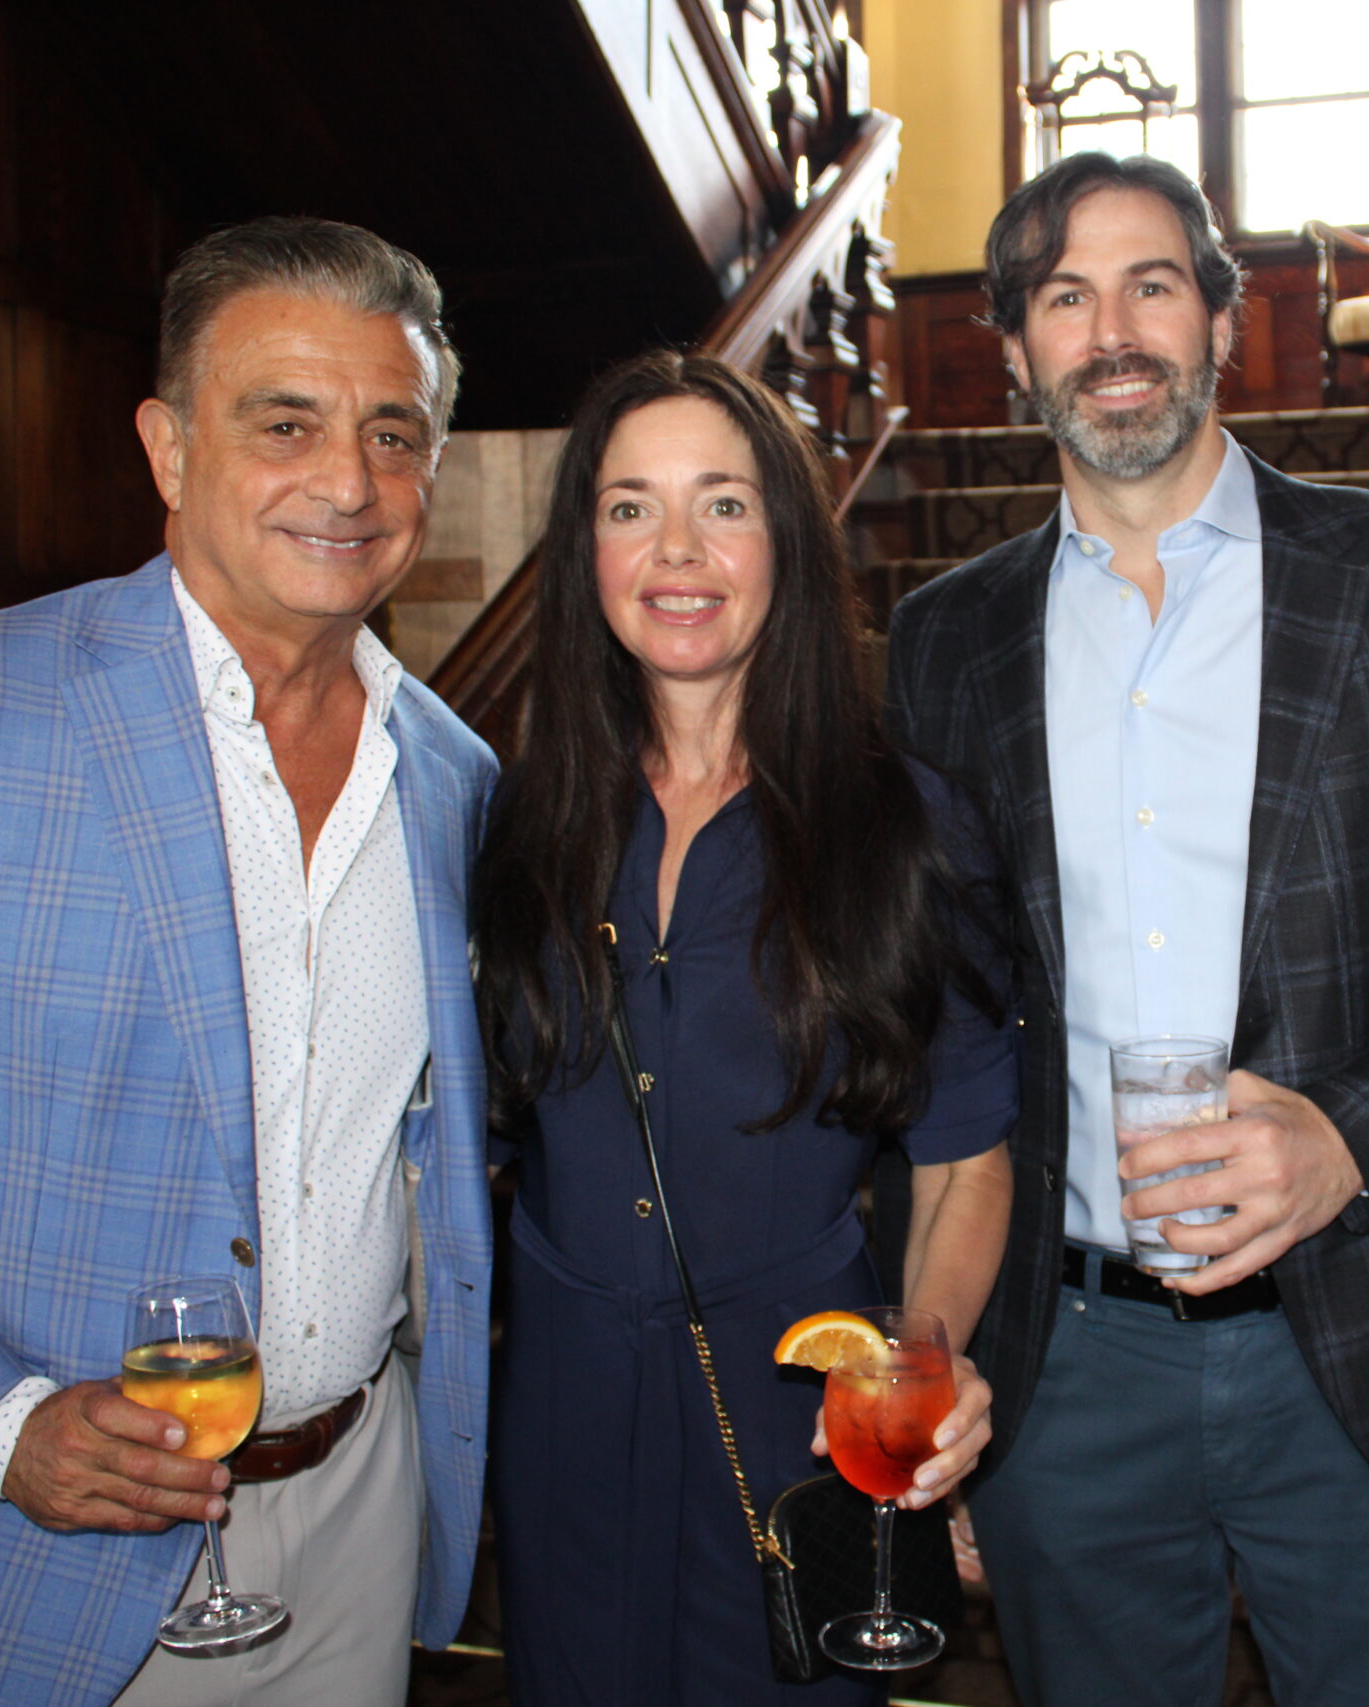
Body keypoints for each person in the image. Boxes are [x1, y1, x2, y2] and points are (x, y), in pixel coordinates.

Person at [0, 216, 496, 1707]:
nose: (348, 481)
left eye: (393, 434)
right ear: (169, 448)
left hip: (355, 1521)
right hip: (23, 1554)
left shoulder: (455, 779)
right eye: (285, 423)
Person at [883, 152, 1369, 1707]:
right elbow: (933, 1025)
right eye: (1064, 298)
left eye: (1152, 285)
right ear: (1011, 350)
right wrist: (938, 1358)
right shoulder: (946, 642)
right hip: (1067, 1369)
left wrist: (1352, 1138)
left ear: (1224, 319)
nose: (1112, 333)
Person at [471, 349, 1015, 1706]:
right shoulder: (516, 818)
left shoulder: (907, 826)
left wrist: (923, 1372)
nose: (677, 550)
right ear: (585, 551)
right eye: (630, 507)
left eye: (722, 504)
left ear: (787, 540)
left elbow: (964, 1161)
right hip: (561, 1412)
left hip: (798, 1421)